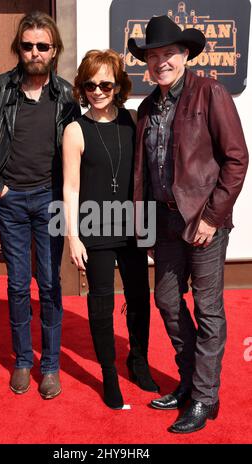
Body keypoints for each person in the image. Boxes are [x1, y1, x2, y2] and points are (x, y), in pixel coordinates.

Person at [128, 15, 248, 432]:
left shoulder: (210, 92)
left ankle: (204, 397)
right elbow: (143, 173)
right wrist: (144, 226)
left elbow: (237, 159)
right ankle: (191, 380)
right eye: (153, 55)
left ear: (184, 56)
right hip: (162, 223)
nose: (160, 61)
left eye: (168, 54)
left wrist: (213, 218)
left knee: (209, 309)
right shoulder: (146, 107)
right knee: (166, 300)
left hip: (204, 222)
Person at [0, 11, 80, 399]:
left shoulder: (67, 94)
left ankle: (49, 365)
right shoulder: (0, 88)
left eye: (43, 46)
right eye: (28, 45)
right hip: (12, 201)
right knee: (18, 285)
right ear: (18, 48)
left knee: (50, 284)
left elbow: (74, 151)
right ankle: (22, 360)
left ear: (54, 50)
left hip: (51, 199)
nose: (35, 52)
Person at [62, 49, 159, 410]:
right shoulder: (75, 130)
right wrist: (72, 235)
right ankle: (108, 374)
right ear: (82, 88)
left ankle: (138, 361)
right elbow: (70, 188)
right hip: (94, 228)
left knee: (139, 299)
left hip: (134, 226)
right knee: (101, 305)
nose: (98, 91)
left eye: (105, 83)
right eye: (90, 85)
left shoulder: (134, 120)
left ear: (118, 85)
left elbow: (148, 178)